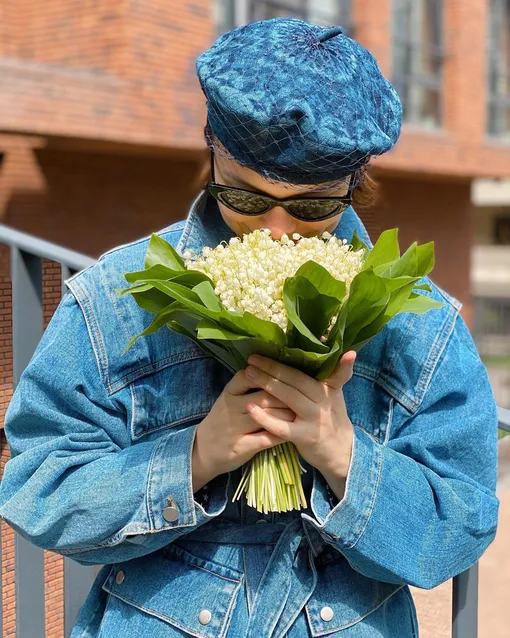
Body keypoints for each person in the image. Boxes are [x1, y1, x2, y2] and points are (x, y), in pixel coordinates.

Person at [0, 17, 500, 638]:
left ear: (355, 184)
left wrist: (346, 455)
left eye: (314, 206)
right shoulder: (117, 294)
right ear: (213, 152)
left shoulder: (418, 321)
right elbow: (37, 490)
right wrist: (195, 456)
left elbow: (463, 525)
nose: (277, 232)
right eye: (245, 199)